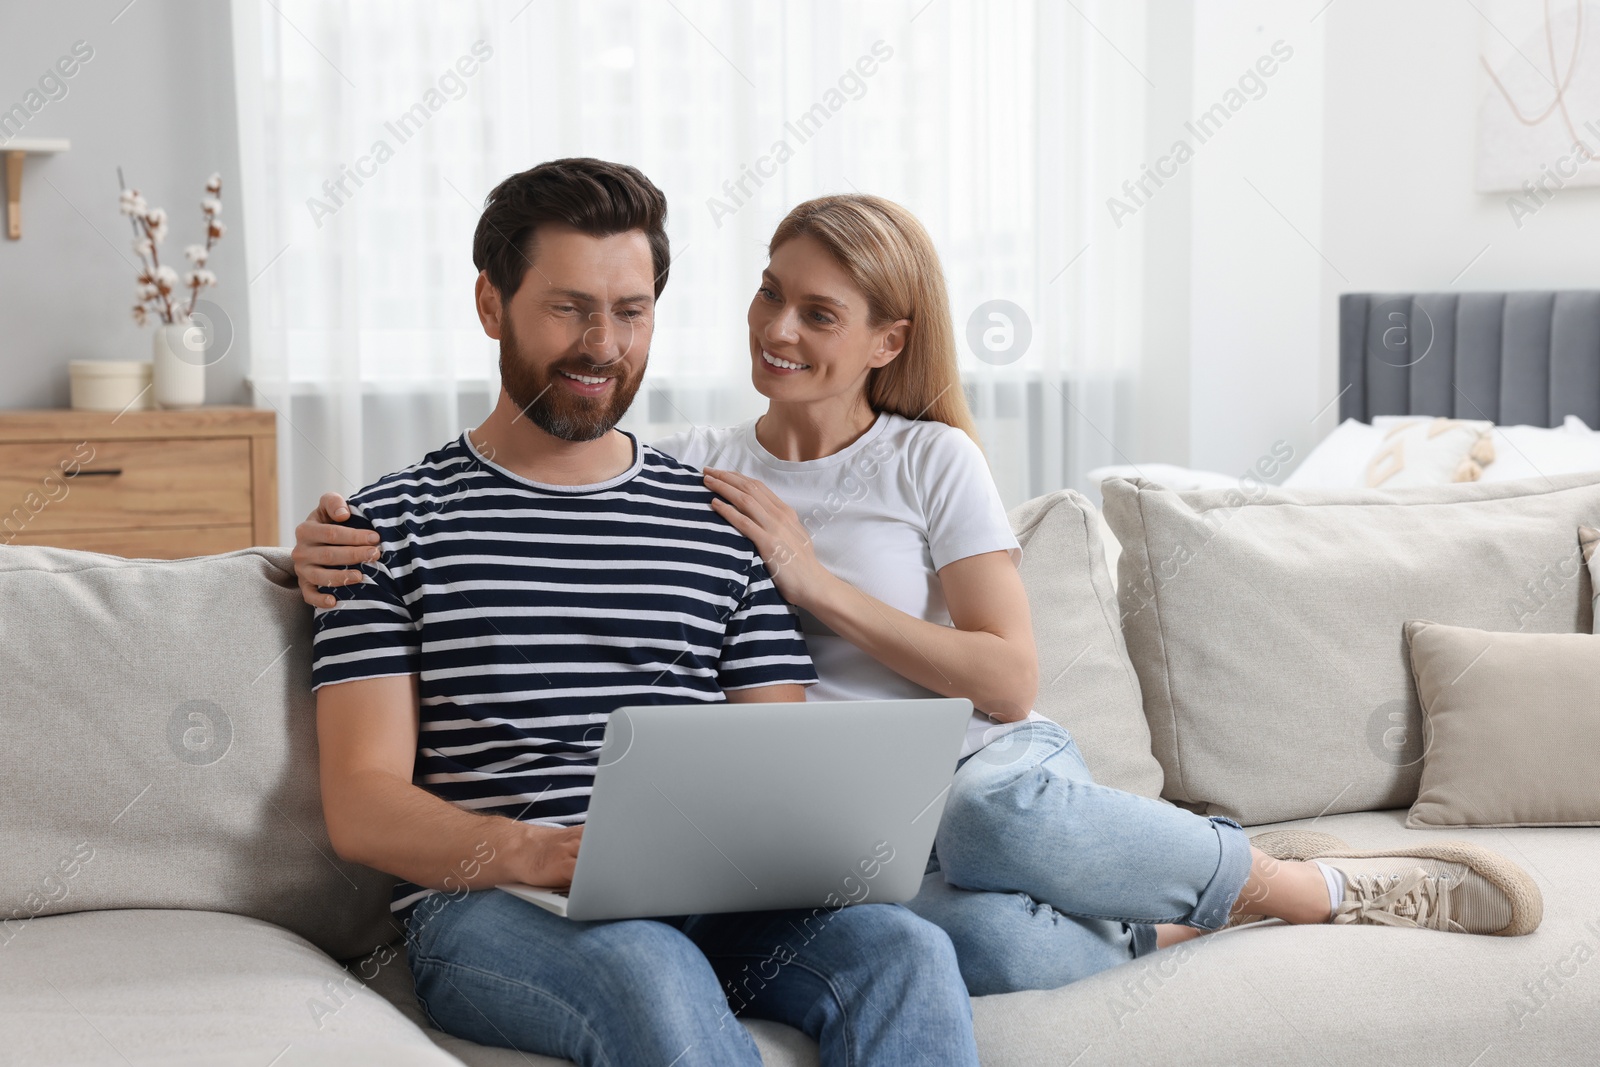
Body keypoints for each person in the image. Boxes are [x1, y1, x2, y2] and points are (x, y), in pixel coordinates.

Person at [297, 183, 1543, 1002]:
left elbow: (1008, 676)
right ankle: (1167, 920)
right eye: (770, 294)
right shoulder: (699, 471)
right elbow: (561, 484)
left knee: (999, 834)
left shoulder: (926, 456)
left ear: (886, 339)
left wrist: (815, 582)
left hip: (969, 763)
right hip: (832, 819)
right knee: (976, 949)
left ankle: (1290, 879)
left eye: (820, 311)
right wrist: (309, 546)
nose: (780, 327)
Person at [308, 158, 981, 1066]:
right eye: (567, 307)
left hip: (711, 897)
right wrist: (536, 851)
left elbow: (776, 763)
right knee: (647, 963)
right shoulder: (385, 528)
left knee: (903, 949)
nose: (603, 343)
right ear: (490, 305)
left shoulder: (719, 519)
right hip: (492, 911)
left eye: (631, 310)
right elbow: (362, 804)